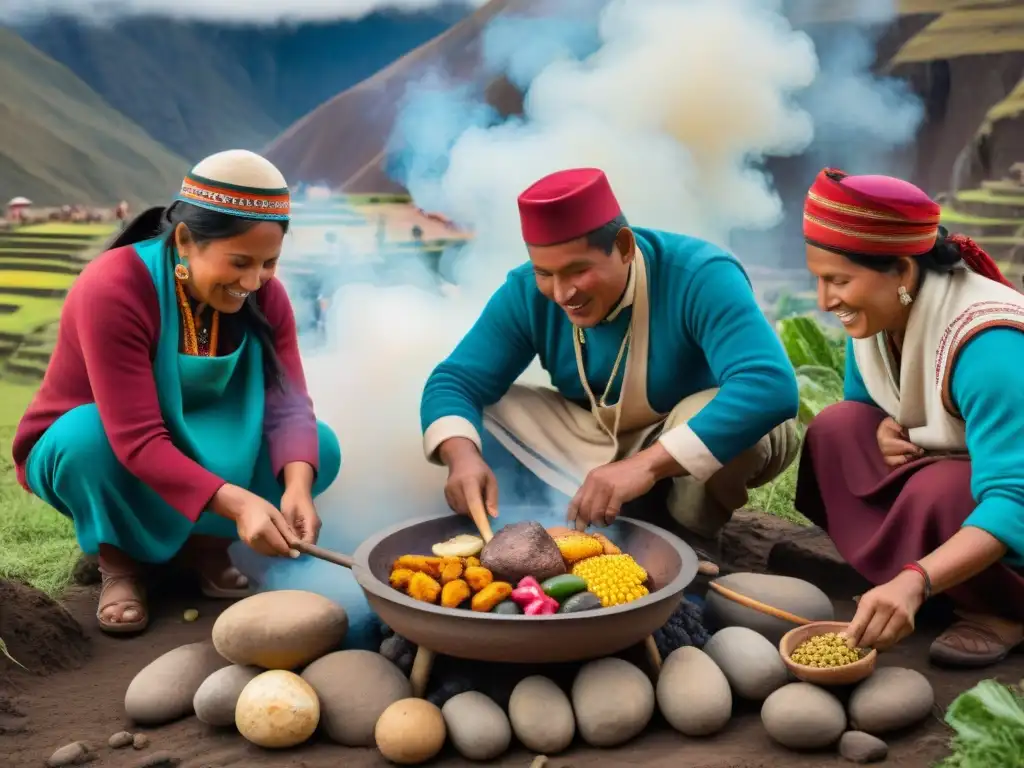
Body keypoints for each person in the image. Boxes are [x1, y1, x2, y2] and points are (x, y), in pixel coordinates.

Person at [12, 150, 342, 635]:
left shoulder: (265, 294)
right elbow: (138, 439)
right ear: (186, 240)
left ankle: (204, 550)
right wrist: (241, 503)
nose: (254, 282)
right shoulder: (114, 287)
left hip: (206, 438)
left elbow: (289, 406)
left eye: (269, 263)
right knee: (87, 440)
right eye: (240, 262)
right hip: (113, 445)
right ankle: (119, 562)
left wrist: (296, 486)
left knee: (319, 448)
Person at [419, 168, 800, 554]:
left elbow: (770, 384)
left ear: (623, 246)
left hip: (685, 439)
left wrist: (645, 466)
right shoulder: (524, 291)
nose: (562, 292)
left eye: (578, 270)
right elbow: (454, 381)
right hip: (593, 437)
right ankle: (564, 518)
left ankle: (689, 538)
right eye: (545, 273)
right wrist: (462, 457)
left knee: (717, 413)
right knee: (476, 417)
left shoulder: (700, 274)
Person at [795, 167, 1024, 668]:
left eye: (838, 280)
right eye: (818, 278)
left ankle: (1001, 608)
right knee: (836, 429)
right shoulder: (879, 317)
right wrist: (881, 425)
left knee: (940, 491)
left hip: (1006, 504)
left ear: (901, 270)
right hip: (949, 470)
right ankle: (923, 575)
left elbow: (1014, 496)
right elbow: (866, 403)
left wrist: (914, 581)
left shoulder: (990, 347)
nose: (824, 300)